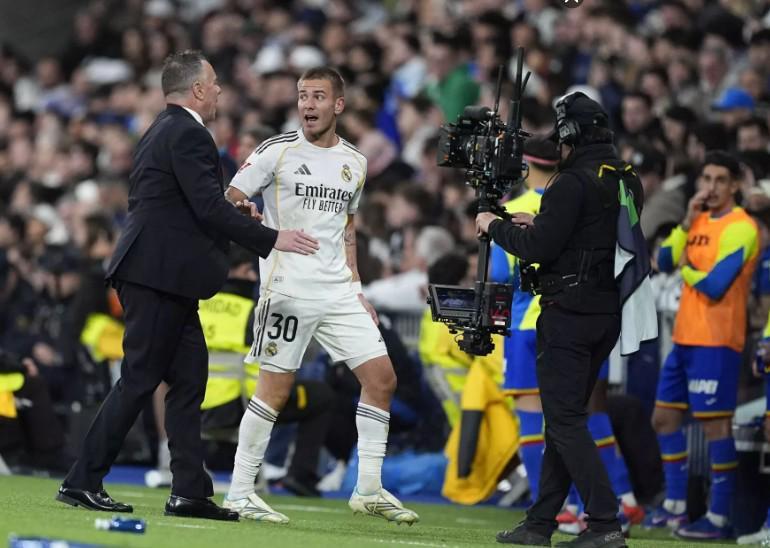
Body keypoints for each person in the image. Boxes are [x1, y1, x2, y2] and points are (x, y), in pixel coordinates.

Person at [56, 50, 318, 521]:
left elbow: (186, 204)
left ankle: (189, 491)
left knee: (189, 379)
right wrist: (271, 237)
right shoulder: (188, 133)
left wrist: (233, 213)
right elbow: (205, 208)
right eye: (213, 82)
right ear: (197, 89)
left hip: (164, 276)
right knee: (140, 379)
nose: (218, 90)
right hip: (157, 276)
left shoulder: (165, 128)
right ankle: (83, 480)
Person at [223, 66, 419, 525]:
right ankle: (239, 492)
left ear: (338, 105)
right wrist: (248, 213)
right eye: (302, 96)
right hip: (287, 288)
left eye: (317, 96)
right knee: (274, 390)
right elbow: (228, 197)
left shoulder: (355, 162)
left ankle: (368, 489)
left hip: (338, 292)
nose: (307, 104)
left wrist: (357, 288)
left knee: (382, 379)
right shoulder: (276, 150)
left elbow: (346, 228)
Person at [476, 91, 644, 548]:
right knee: (563, 419)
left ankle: (605, 523)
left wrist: (494, 225)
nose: (560, 146)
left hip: (568, 312)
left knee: (565, 421)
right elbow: (591, 236)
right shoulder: (625, 177)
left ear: (571, 135)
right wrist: (541, 222)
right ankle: (540, 523)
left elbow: (537, 249)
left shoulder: (570, 182)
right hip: (605, 311)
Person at [646, 151, 758, 541]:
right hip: (684, 338)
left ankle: (719, 516)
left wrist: (687, 270)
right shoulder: (696, 220)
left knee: (715, 427)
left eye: (720, 180)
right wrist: (684, 222)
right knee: (663, 419)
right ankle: (676, 506)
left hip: (717, 340)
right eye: (706, 179)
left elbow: (715, 284)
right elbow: (662, 261)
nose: (710, 187)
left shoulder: (742, 227)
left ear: (735, 185)